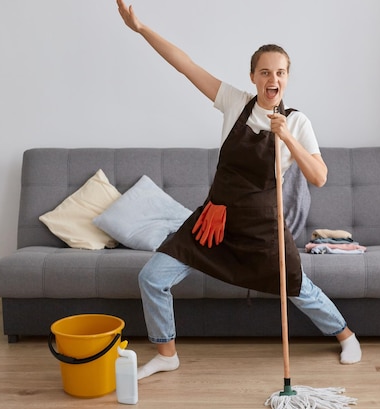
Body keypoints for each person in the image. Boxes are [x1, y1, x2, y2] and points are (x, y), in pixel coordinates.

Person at [115, 0, 362, 380]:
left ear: (287, 78)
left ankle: (346, 336)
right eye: (265, 72)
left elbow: (319, 176)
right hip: (215, 220)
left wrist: (288, 140)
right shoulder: (236, 104)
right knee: (152, 277)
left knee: (297, 287)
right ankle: (166, 353)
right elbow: (186, 66)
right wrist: (142, 29)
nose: (272, 79)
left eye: (280, 72)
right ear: (253, 77)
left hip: (262, 228)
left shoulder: (297, 123)